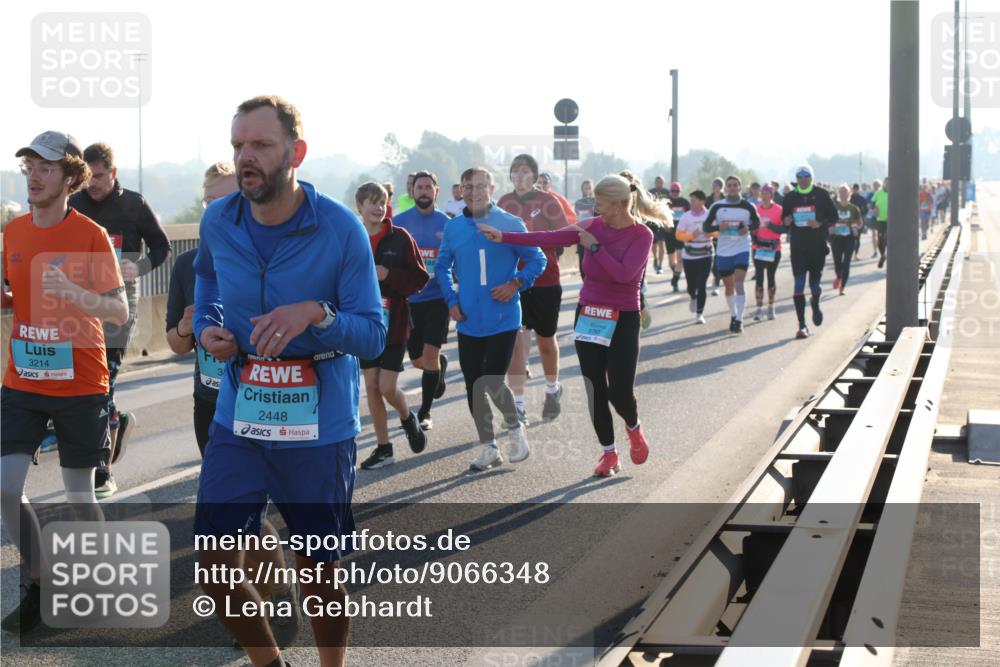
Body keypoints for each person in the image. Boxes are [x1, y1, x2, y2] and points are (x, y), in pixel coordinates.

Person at [193, 95, 385, 667]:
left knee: (318, 577)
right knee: (211, 565)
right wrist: (208, 327)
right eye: (237, 146)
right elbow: (206, 280)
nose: (245, 157)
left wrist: (316, 315)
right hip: (241, 413)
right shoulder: (218, 220)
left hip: (318, 425)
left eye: (260, 146)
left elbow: (372, 335)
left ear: (295, 153)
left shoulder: (340, 228)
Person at [164, 161, 300, 649]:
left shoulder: (275, 254)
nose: (224, 211)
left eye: (231, 201)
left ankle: (264, 602)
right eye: (214, 203)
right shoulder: (188, 264)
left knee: (247, 510)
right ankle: (265, 598)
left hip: (264, 399)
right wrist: (189, 327)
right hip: (211, 403)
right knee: (240, 518)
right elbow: (175, 345)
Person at [1, 131, 128, 634]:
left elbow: (117, 311)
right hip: (24, 379)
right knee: (6, 488)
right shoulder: (12, 231)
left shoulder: (90, 236)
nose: (34, 174)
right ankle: (37, 584)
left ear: (71, 178)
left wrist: (76, 292)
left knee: (79, 496)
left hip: (80, 380)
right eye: (30, 165)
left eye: (46, 167)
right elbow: (14, 295)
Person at [479, 174, 668, 477]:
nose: (596, 209)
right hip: (590, 314)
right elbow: (548, 238)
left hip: (623, 317)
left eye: (601, 204)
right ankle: (609, 454)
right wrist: (506, 237)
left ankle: (633, 428)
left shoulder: (641, 235)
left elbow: (625, 275)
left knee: (619, 391)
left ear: (619, 204)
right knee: (595, 389)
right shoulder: (592, 226)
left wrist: (594, 249)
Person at [69, 142, 172, 497]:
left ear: (114, 174)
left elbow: (162, 247)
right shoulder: (74, 204)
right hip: (79, 301)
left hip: (120, 302)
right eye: (88, 177)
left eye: (99, 176)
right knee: (82, 385)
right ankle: (118, 422)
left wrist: (138, 266)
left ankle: (102, 472)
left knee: (102, 383)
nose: (92, 183)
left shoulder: (134, 204)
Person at [435, 167, 543, 471]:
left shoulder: (509, 223)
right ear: (461, 190)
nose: (474, 191)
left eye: (480, 185)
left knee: (493, 379)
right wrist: (451, 300)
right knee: (473, 385)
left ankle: (515, 429)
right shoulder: (455, 227)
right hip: (468, 317)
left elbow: (538, 259)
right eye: (468, 186)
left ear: (492, 188)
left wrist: (516, 283)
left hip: (503, 317)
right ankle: (488, 447)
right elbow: (442, 266)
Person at [354, 181, 429, 468]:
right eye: (371, 202)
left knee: (386, 386)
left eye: (382, 201)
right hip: (363, 324)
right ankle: (384, 448)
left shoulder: (400, 238)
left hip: (394, 323)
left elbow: (419, 279)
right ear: (359, 206)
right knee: (371, 386)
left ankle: (408, 418)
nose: (377, 207)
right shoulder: (354, 237)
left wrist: (389, 275)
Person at [497, 154, 569, 424]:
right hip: (514, 281)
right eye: (515, 171)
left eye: (525, 171)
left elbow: (565, 235)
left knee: (546, 342)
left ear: (535, 176)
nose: (519, 176)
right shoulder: (504, 203)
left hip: (546, 281)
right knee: (517, 342)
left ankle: (552, 390)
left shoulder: (549, 202)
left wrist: (539, 247)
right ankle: (518, 405)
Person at [393, 171, 452, 431]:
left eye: (429, 187)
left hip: (438, 299)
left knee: (429, 355)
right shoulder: (399, 223)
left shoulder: (448, 224)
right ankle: (439, 367)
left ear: (436, 192)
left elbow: (457, 262)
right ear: (412, 191)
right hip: (409, 301)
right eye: (420, 187)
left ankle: (425, 412)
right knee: (417, 359)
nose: (424, 191)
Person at [780, 165, 838, 339]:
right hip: (798, 247)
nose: (803, 179)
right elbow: (784, 220)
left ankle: (815, 303)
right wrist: (787, 220)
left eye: (806, 176)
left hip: (817, 246)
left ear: (811, 178)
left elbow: (833, 217)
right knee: (798, 285)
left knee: (814, 285)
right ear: (796, 178)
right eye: (799, 176)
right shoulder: (790, 197)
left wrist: (820, 223)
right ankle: (802, 325)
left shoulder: (821, 195)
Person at [702, 175, 759, 334]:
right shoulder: (717, 206)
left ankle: (739, 320)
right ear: (725, 188)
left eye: (735, 185)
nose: (732, 188)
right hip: (723, 251)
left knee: (739, 283)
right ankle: (733, 314)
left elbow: (757, 223)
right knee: (729, 286)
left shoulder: (748, 206)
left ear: (740, 188)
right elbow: (706, 227)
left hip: (741, 249)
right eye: (730, 185)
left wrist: (747, 229)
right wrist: (718, 228)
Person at [675, 189, 714, 324]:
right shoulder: (686, 216)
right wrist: (692, 235)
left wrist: (712, 233)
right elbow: (678, 235)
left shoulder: (710, 215)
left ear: (702, 201)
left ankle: (699, 313)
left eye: (694, 200)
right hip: (690, 255)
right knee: (691, 286)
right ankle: (693, 296)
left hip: (706, 253)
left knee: (701, 284)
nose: (691, 202)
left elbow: (718, 231)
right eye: (691, 200)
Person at [752, 183, 785, 321]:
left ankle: (771, 307)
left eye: (767, 194)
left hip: (773, 248)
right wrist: (754, 237)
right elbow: (752, 227)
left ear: (771, 195)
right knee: (759, 277)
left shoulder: (779, 210)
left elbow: (784, 229)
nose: (764, 196)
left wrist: (770, 225)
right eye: (762, 193)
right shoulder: (756, 209)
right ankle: (759, 308)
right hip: (758, 248)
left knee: (771, 276)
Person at [831, 184, 863, 296]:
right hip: (837, 238)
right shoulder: (834, 207)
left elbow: (860, 223)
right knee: (837, 262)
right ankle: (839, 276)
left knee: (847, 263)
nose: (843, 194)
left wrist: (855, 228)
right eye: (841, 192)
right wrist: (831, 228)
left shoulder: (854, 208)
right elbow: (829, 222)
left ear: (849, 194)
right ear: (838, 194)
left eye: (845, 192)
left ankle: (842, 287)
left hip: (849, 238)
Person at [666, 181, 690, 292]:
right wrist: (664, 226)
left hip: (681, 233)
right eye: (673, 191)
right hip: (669, 234)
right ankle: (676, 274)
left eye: (677, 191)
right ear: (670, 191)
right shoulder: (666, 202)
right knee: (672, 262)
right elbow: (660, 217)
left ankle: (675, 280)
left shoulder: (685, 202)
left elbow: (691, 216)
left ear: (680, 191)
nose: (675, 193)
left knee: (680, 258)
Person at [647, 175, 671, 275]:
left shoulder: (666, 192)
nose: (659, 184)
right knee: (654, 244)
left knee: (661, 243)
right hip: (652, 221)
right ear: (655, 183)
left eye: (660, 182)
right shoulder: (650, 192)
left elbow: (670, 207)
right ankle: (655, 259)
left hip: (662, 220)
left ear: (663, 183)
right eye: (657, 182)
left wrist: (668, 222)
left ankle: (660, 265)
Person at [574, 179, 597, 278]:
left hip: (595, 235)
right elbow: (579, 212)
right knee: (582, 260)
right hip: (582, 234)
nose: (587, 189)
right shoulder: (579, 202)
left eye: (589, 187)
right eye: (585, 187)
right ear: (582, 189)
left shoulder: (597, 201)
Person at [706, 177, 725, 295]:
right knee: (712, 259)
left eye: (717, 186)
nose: (715, 188)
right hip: (710, 232)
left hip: (723, 232)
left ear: (721, 188)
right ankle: (716, 278)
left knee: (718, 258)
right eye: (713, 186)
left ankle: (716, 284)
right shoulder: (707, 200)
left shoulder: (726, 200)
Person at [871, 177, 889, 268]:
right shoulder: (878, 193)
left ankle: (890, 258)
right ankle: (883, 255)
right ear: (884, 183)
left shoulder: (895, 192)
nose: (888, 184)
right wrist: (874, 209)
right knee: (880, 241)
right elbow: (872, 203)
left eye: (890, 182)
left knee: (889, 240)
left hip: (892, 220)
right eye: (886, 182)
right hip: (881, 220)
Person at [850, 183, 869, 260]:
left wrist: (863, 219)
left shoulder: (862, 199)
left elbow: (866, 210)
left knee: (857, 238)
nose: (854, 190)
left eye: (856, 189)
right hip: (849, 220)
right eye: (853, 189)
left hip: (858, 220)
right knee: (850, 238)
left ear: (858, 189)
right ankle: (850, 253)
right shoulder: (849, 198)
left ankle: (856, 254)